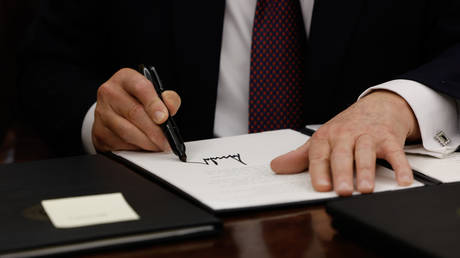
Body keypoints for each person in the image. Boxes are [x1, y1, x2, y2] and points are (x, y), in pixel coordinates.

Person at [19, 0, 460, 196]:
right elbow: (47, 64)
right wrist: (99, 117)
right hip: (167, 205)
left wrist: (402, 103)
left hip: (371, 201)